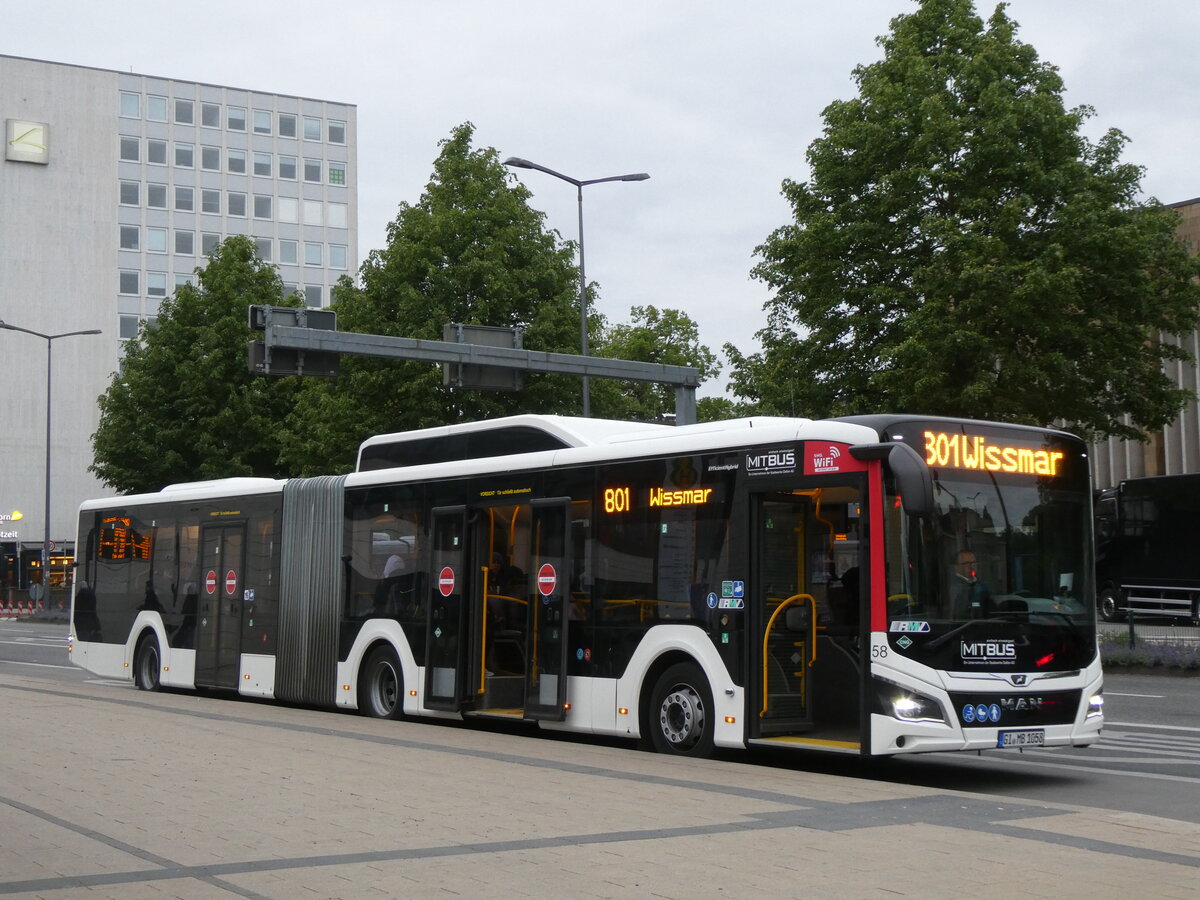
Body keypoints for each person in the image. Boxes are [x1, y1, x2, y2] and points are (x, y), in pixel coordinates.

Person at [950, 550, 990, 619]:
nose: (971, 566)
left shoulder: (983, 586)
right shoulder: (951, 586)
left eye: (973, 563)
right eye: (966, 563)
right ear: (956, 567)